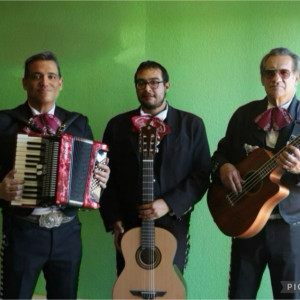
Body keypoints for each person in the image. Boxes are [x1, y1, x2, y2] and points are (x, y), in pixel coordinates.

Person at [0, 51, 110, 299]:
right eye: (36, 76)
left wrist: (100, 179)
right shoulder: (4, 122)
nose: (44, 82)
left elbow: (93, 174)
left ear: (60, 83)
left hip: (67, 233)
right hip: (22, 232)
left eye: (51, 76)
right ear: (24, 82)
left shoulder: (77, 123)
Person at [100, 60, 211, 276]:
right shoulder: (117, 126)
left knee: (168, 285)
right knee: (130, 284)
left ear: (166, 85)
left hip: (173, 220)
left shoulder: (192, 125)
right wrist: (114, 219)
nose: (147, 88)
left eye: (154, 82)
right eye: (141, 83)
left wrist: (169, 204)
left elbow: (202, 173)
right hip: (129, 222)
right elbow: (105, 177)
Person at [210, 47, 300, 299]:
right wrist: (224, 168)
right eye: (269, 72)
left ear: (296, 77)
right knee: (239, 295)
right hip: (245, 222)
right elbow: (220, 154)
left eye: (284, 72)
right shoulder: (243, 115)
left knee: (291, 296)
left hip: (291, 232)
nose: (276, 78)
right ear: (262, 79)